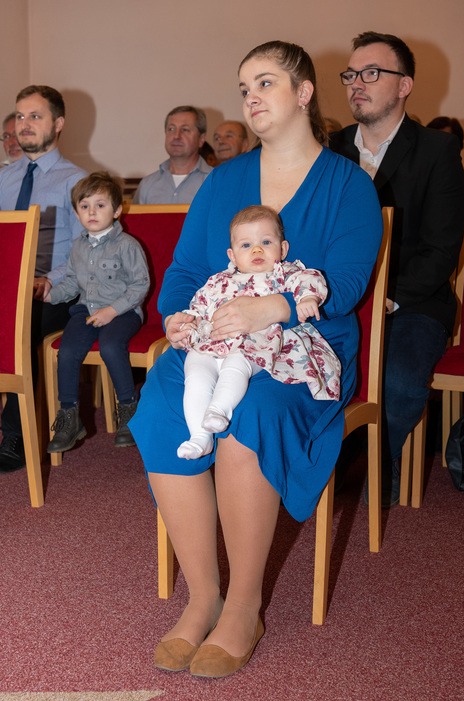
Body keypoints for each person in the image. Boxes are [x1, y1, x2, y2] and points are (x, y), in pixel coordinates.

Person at [129, 40, 382, 678]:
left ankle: (245, 605)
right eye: (244, 88)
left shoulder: (347, 183)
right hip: (219, 340)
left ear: (304, 93)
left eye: (266, 83)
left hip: (305, 348)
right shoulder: (225, 181)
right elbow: (186, 271)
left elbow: (347, 283)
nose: (251, 97)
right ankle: (203, 597)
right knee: (161, 404)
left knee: (253, 410)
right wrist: (178, 316)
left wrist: (272, 308)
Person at [330, 31, 464, 506]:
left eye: (371, 73)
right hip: (340, 297)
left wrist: (387, 299)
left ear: (404, 85)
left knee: (399, 381)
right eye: (351, 74)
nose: (357, 83)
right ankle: (324, 459)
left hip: (412, 300)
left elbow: (441, 250)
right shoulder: (328, 150)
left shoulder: (437, 151)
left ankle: (378, 460)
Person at [177, 204, 341, 460]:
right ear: (232, 256)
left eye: (265, 242)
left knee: (237, 362)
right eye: (246, 245)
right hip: (216, 341)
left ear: (282, 249)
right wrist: (189, 324)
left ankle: (219, 409)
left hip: (260, 342)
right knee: (195, 368)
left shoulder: (284, 273)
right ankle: (199, 436)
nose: (256, 250)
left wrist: (308, 298)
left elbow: (310, 279)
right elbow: (198, 307)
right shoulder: (218, 282)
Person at [0, 85, 87, 472]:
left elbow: (84, 251)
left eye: (35, 116)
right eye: (20, 116)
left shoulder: (76, 181)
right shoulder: (4, 179)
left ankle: (16, 435)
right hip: (8, 288)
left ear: (59, 123)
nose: (25, 124)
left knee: (19, 326)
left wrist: (46, 281)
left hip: (57, 292)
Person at [43, 172, 150, 451]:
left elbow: (140, 285)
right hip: (86, 310)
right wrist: (50, 295)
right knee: (67, 350)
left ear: (116, 210)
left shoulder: (127, 245)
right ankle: (69, 416)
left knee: (111, 346)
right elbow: (71, 283)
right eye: (85, 206)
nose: (92, 212)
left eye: (100, 205)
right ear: (76, 212)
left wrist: (112, 310)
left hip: (123, 311)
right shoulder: (77, 246)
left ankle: (128, 409)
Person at [133, 106, 212, 204]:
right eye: (171, 129)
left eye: (185, 130)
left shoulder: (215, 181)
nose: (176, 136)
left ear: (201, 139)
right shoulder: (147, 185)